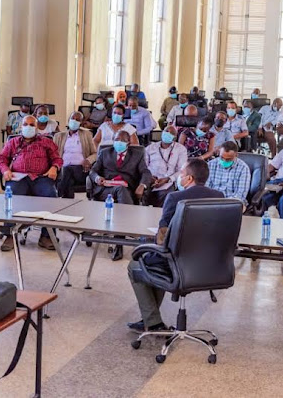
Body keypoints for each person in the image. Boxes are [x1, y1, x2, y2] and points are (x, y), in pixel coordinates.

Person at [126, 158, 223, 333]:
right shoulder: (219, 197)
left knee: (137, 264)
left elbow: (162, 237)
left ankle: (153, 322)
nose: (179, 176)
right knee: (155, 262)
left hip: (178, 263)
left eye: (182, 173)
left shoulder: (175, 197)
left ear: (189, 179)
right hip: (209, 265)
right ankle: (151, 319)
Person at [0, 114, 63, 251]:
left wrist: (54, 167)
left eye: (32, 125)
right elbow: (1, 159)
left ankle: (46, 236)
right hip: (18, 177)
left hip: (41, 177)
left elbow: (57, 159)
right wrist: (5, 170)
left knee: (50, 195)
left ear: (37, 127)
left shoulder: (46, 142)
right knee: (12, 196)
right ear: (21, 127)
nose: (28, 127)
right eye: (25, 124)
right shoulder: (13, 142)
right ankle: (10, 235)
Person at [89, 130, 153, 261]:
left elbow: (146, 172)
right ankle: (125, 230)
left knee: (121, 191)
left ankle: (119, 241)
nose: (119, 142)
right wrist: (97, 179)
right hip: (105, 191)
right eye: (117, 139)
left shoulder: (137, 154)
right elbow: (93, 171)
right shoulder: (105, 152)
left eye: (123, 140)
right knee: (119, 190)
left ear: (128, 142)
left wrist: (142, 185)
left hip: (128, 190)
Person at [54, 111, 97, 198]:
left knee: (67, 170)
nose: (74, 121)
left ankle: (59, 195)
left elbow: (95, 153)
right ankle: (68, 202)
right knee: (68, 179)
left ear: (81, 123)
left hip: (81, 170)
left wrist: (88, 160)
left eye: (78, 120)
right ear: (68, 120)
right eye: (72, 118)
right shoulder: (59, 136)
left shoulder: (87, 134)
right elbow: (53, 154)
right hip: (62, 170)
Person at [144, 125, 187, 207]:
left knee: (166, 195)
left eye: (171, 133)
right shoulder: (150, 148)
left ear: (175, 137)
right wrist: (149, 177)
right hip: (150, 179)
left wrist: (168, 179)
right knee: (143, 191)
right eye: (166, 131)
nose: (167, 133)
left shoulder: (181, 149)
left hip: (168, 181)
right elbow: (143, 166)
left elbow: (181, 170)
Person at [206, 141, 251, 208]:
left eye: (228, 159)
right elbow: (205, 187)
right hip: (211, 201)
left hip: (232, 203)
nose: (224, 161)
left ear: (236, 155)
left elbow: (240, 195)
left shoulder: (243, 168)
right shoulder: (210, 165)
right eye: (222, 158)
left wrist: (223, 204)